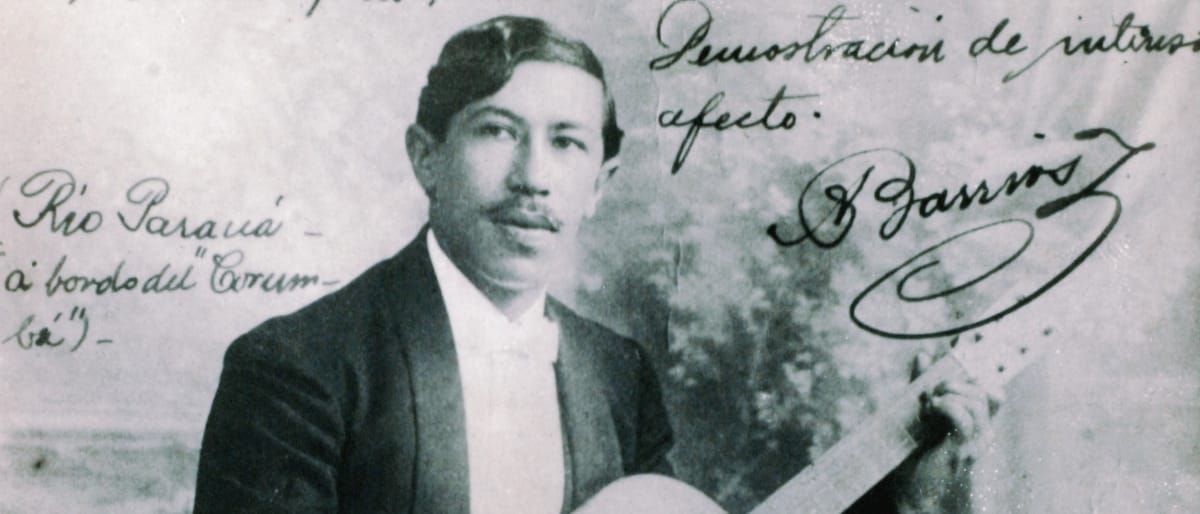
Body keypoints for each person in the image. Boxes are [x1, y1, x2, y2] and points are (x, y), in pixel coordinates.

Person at [194, 15, 998, 514]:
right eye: (497, 131)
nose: (533, 176)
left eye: (567, 143)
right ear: (426, 156)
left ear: (598, 186)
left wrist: (904, 500)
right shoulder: (298, 366)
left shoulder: (616, 373)